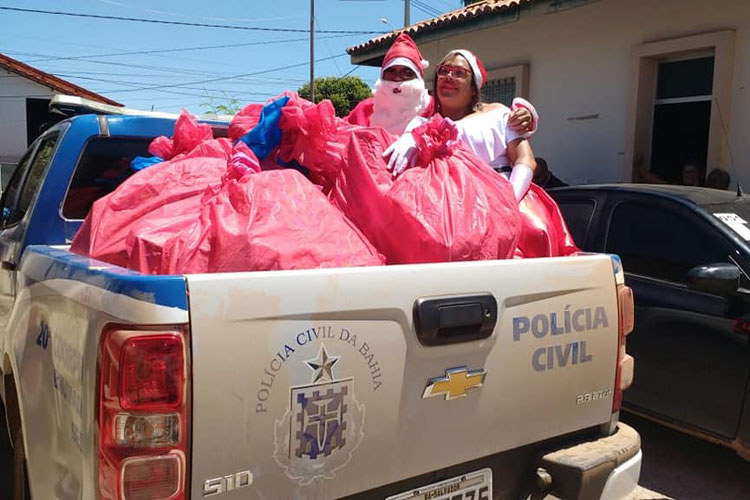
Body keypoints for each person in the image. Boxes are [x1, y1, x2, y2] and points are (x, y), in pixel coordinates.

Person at [386, 49, 578, 258]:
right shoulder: (419, 124)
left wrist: (507, 203)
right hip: (448, 211)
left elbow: (525, 159)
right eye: (444, 71)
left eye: (459, 72)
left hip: (510, 199)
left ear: (473, 88)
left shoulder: (498, 113)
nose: (449, 76)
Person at [346, 33, 534, 138]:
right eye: (392, 71)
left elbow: (477, 112)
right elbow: (338, 134)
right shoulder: (366, 108)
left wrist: (525, 115)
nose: (398, 78)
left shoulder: (433, 108)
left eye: (407, 72)